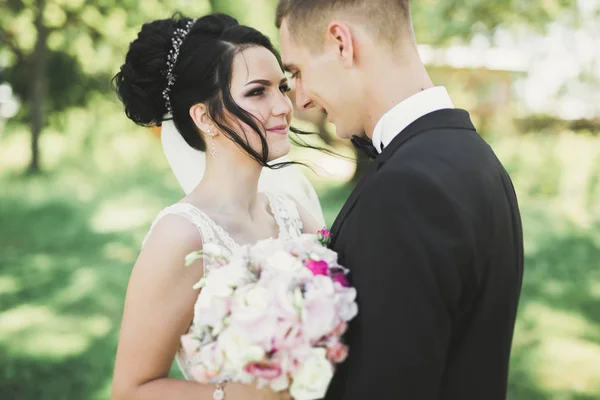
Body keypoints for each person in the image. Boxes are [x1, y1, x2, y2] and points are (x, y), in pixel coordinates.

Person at [275, 0, 524, 399]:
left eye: (298, 72)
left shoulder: (404, 189)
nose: (300, 99)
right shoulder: (479, 159)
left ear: (341, 43)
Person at [111, 13, 322, 400]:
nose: (283, 106)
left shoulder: (292, 212)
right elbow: (131, 389)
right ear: (204, 117)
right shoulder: (182, 237)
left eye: (282, 87)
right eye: (258, 91)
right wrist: (247, 396)